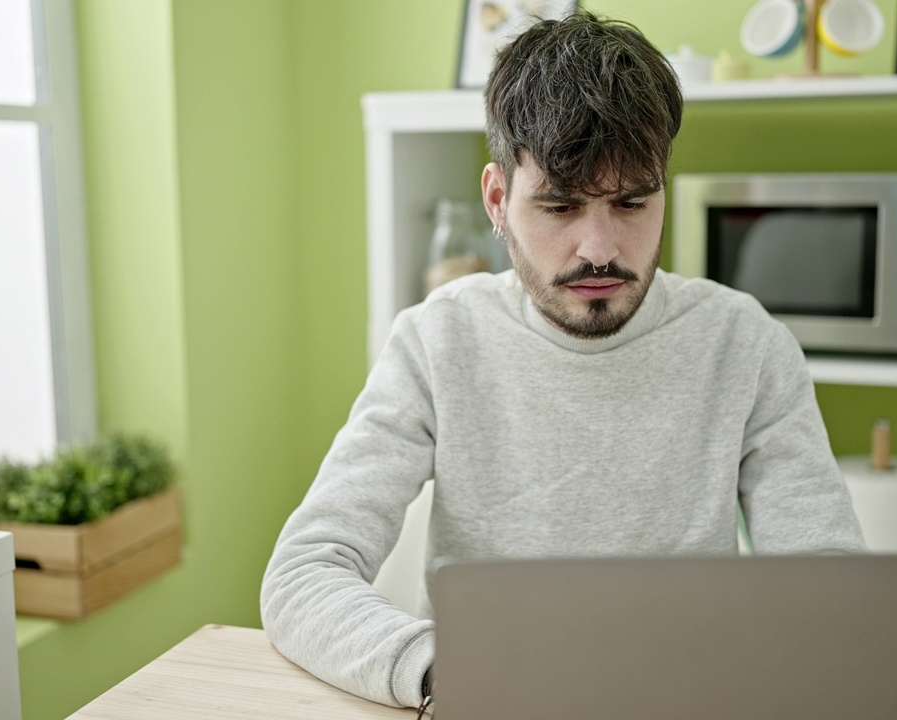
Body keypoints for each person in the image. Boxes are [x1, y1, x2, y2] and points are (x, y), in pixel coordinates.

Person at [261, 11, 865, 710]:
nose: (600, 248)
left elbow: (831, 593)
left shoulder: (746, 345)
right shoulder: (436, 342)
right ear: (498, 199)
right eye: (558, 207)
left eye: (632, 202)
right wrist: (436, 669)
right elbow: (306, 571)